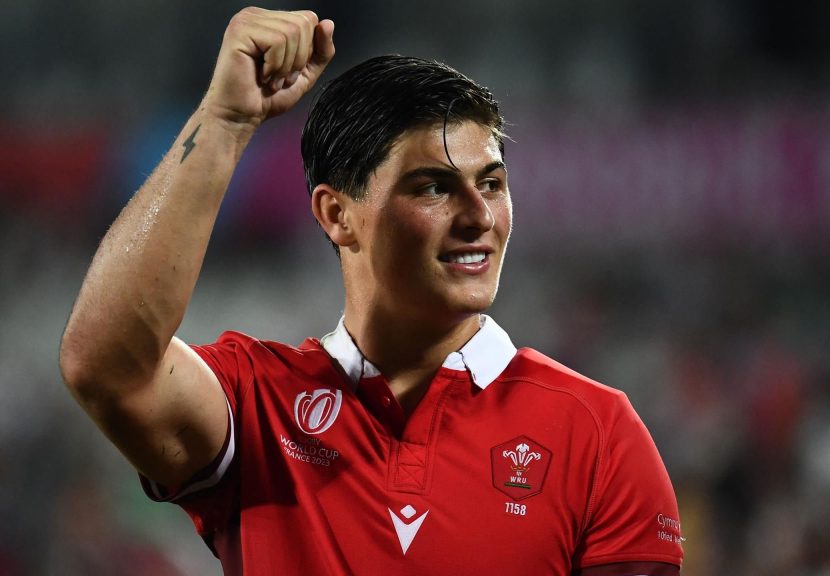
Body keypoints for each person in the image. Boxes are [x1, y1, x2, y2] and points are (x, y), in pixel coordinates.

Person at [59, 7, 683, 575]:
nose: (479, 216)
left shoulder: (598, 431)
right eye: (433, 187)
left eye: (492, 184)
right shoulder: (257, 407)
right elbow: (105, 367)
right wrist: (225, 121)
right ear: (337, 215)